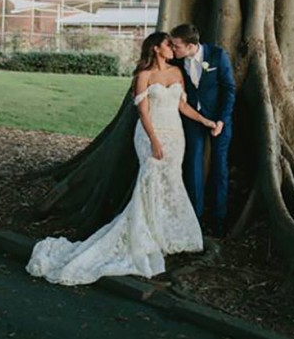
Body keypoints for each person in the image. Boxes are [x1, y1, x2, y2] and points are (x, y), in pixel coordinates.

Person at [26, 32, 216, 286]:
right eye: (168, 44)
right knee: (149, 182)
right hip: (151, 135)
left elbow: (182, 107)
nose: (173, 48)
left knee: (172, 181)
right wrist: (154, 141)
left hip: (176, 135)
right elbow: (144, 113)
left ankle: (169, 232)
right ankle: (145, 234)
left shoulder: (177, 73)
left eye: (173, 45)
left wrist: (205, 121)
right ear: (156, 48)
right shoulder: (143, 76)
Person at [170, 24, 236, 238]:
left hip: (218, 120)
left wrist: (221, 121)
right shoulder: (177, 60)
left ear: (191, 45)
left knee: (220, 167)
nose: (173, 48)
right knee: (193, 164)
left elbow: (228, 89)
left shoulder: (217, 56)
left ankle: (219, 221)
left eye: (177, 45)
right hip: (193, 119)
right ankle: (195, 220)